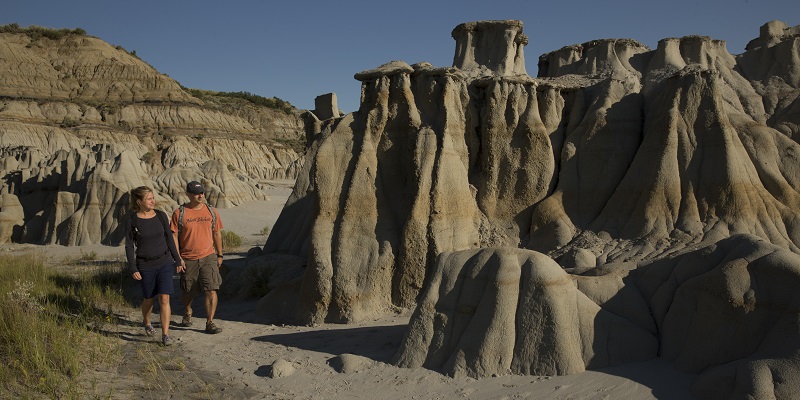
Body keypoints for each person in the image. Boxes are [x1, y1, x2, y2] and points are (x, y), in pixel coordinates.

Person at [125, 186, 181, 346]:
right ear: (139, 201)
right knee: (148, 299)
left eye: (152, 197)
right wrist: (133, 268)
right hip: (145, 264)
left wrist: (177, 259)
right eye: (149, 198)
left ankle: (165, 334)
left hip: (164, 262)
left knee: (164, 298)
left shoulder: (161, 216)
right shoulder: (132, 220)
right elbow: (129, 246)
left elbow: (170, 238)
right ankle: (147, 321)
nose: (152, 201)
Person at [171, 180, 224, 334]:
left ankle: (210, 322)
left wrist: (220, 255)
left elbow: (217, 233)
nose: (200, 195)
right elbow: (174, 236)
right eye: (196, 193)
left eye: (201, 192)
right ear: (188, 194)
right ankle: (188, 311)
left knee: (211, 289)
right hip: (187, 258)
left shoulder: (211, 212)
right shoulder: (179, 213)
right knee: (188, 291)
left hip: (208, 256)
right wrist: (178, 257)